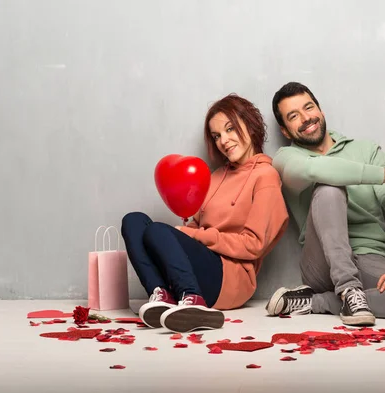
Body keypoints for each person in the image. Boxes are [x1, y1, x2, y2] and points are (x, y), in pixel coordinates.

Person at [265, 82, 385, 326]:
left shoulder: (366, 150)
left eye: (308, 108)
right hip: (321, 263)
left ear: (320, 111)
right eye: (293, 116)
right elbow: (317, 169)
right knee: (329, 187)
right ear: (286, 130)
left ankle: (316, 302)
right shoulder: (286, 159)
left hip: (371, 257)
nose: (305, 118)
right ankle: (348, 290)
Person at [121, 94, 289, 333]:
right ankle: (161, 295)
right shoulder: (215, 176)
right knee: (134, 221)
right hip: (199, 266)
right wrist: (184, 234)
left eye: (230, 129)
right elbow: (194, 227)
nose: (223, 141)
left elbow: (254, 245)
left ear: (250, 125)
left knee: (158, 230)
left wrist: (196, 236)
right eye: (216, 135)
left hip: (231, 278)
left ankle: (194, 301)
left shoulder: (266, 176)